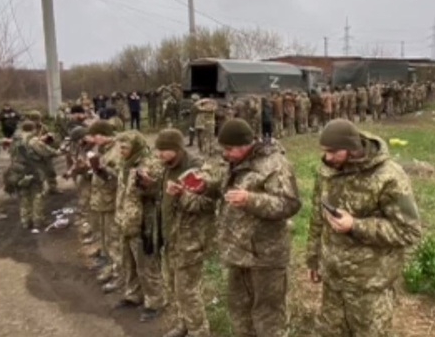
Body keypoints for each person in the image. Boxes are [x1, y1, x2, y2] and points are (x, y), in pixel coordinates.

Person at [307, 119, 422, 336]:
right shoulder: (328, 170)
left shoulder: (389, 177)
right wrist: (313, 259)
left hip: (369, 287)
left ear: (352, 148)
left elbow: (409, 231)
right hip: (333, 282)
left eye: (333, 152)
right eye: (325, 151)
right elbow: (317, 215)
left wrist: (356, 225)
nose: (327, 157)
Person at [213, 119, 301, 337]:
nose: (226, 154)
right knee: (239, 310)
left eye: (230, 149)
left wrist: (250, 200)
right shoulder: (234, 162)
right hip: (237, 252)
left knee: (268, 316)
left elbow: (289, 204)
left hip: (265, 256)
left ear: (246, 144)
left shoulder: (275, 164)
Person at [154, 129, 216, 337]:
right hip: (171, 236)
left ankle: (199, 331)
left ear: (177, 149)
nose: (159, 154)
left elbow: (207, 204)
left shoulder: (196, 169)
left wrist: (182, 195)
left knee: (187, 290)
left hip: (190, 239)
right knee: (173, 285)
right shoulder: (167, 167)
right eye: (158, 150)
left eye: (164, 150)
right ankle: (184, 324)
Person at [114, 131, 164, 322]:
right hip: (125, 220)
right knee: (129, 262)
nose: (121, 150)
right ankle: (133, 295)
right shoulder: (125, 164)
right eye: (120, 146)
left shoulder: (150, 163)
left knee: (146, 265)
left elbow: (158, 191)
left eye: (125, 147)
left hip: (143, 223)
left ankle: (155, 301)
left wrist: (147, 184)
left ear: (135, 147)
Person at [4, 121, 62, 233]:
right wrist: (58, 151)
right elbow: (46, 152)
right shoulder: (33, 140)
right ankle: (38, 220)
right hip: (33, 170)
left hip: (18, 170)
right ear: (34, 129)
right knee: (37, 195)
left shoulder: (15, 140)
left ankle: (25, 221)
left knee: (23, 196)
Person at [86, 120, 123, 290]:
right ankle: (110, 267)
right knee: (106, 239)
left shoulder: (116, 152)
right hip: (102, 200)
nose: (93, 139)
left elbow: (119, 178)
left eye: (95, 135)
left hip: (111, 200)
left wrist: (101, 170)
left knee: (113, 239)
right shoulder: (104, 150)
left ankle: (119, 275)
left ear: (103, 135)